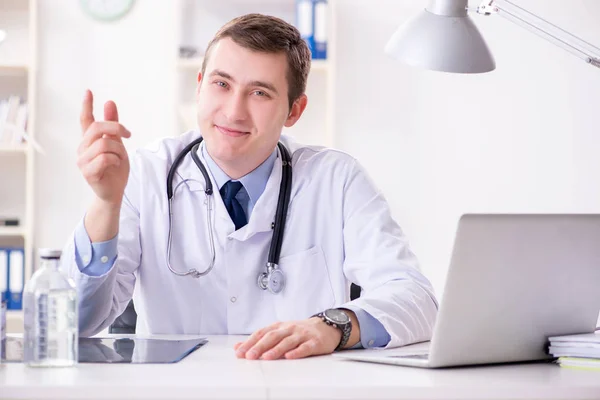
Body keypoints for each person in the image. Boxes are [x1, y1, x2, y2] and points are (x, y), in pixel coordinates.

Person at [63, 13, 438, 360]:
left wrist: (334, 325)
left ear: (294, 110)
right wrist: (105, 203)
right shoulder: (144, 174)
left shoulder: (336, 180)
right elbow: (73, 324)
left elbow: (417, 299)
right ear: (200, 86)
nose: (233, 111)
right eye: (221, 84)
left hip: (301, 389)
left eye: (259, 92)